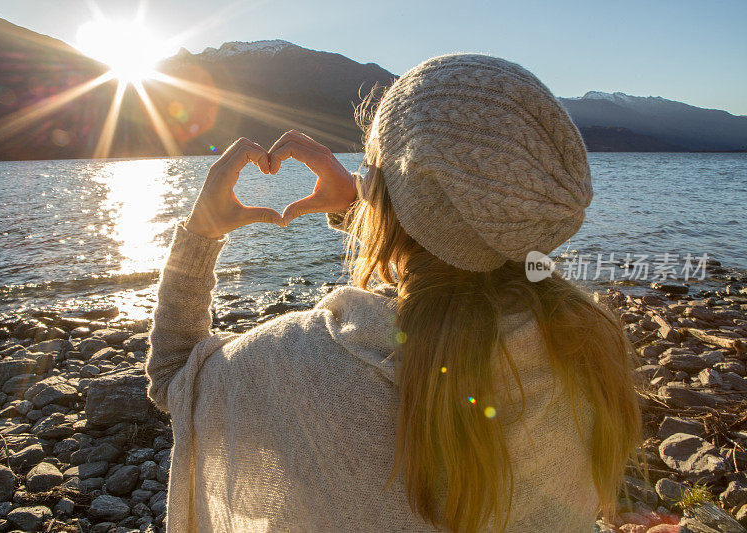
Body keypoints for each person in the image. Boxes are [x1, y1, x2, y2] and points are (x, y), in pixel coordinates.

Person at [145, 53, 643, 532]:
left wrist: (200, 234)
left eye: (371, 166)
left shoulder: (297, 364)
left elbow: (175, 378)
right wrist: (370, 215)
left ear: (382, 195)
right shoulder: (588, 343)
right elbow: (458, 254)